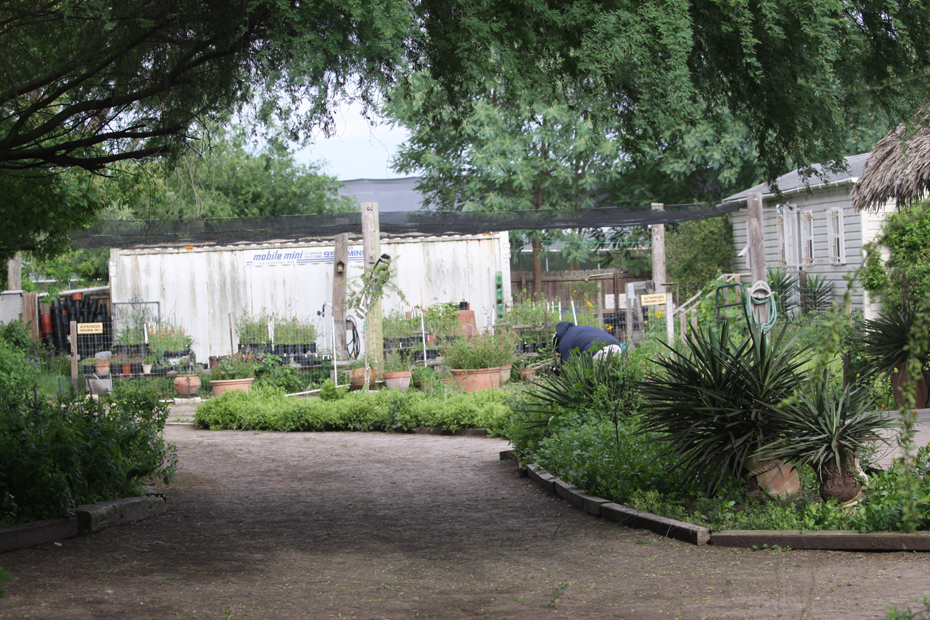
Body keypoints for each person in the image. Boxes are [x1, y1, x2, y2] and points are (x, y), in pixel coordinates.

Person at [552, 321, 623, 364]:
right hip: (616, 347)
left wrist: (556, 371)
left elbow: (567, 366)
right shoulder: (578, 329)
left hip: (598, 352)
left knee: (593, 379)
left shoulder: (564, 342)